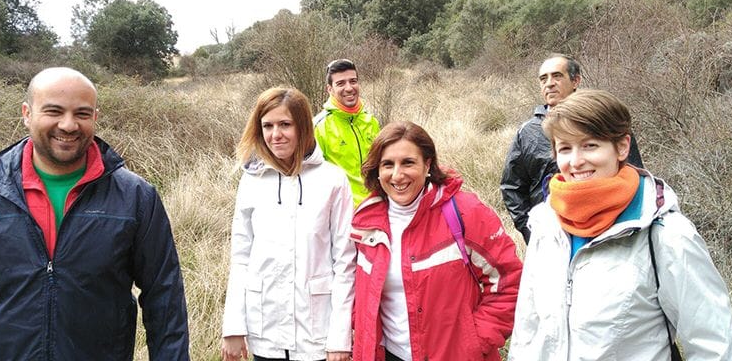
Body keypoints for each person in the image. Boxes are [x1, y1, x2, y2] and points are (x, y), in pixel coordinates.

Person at [0, 67, 190, 360]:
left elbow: (165, 297)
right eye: (54, 111)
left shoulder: (136, 198)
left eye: (82, 113)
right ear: (27, 113)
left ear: (95, 117)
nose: (68, 125)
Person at [508, 90, 732, 360]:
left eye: (590, 145)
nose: (576, 161)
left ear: (622, 147)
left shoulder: (665, 234)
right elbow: (528, 329)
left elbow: (716, 346)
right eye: (565, 148)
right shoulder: (546, 224)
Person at [351, 121, 523, 361]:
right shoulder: (365, 220)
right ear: (377, 171)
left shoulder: (466, 212)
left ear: (427, 164)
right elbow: (353, 289)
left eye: (408, 162)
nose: (397, 175)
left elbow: (510, 282)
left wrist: (473, 343)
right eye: (387, 164)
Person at [221, 88, 356, 361]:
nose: (275, 134)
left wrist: (339, 337)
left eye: (285, 124)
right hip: (264, 332)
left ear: (303, 126)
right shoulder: (251, 180)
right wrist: (234, 326)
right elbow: (241, 256)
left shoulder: (333, 180)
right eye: (267, 126)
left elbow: (344, 262)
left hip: (316, 335)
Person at [500, 53, 644, 243]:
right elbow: (512, 187)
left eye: (557, 76)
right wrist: (530, 229)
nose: (549, 83)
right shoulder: (527, 133)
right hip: (553, 235)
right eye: (544, 79)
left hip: (616, 230)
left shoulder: (603, 119)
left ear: (576, 80)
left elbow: (633, 171)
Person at [314, 59, 381, 208]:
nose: (349, 88)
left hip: (377, 205)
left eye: (353, 81)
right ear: (329, 89)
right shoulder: (318, 127)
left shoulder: (371, 122)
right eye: (341, 83)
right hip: (343, 213)